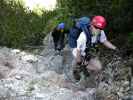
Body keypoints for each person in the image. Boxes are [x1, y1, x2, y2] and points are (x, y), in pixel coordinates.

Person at [71, 16, 118, 80]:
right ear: (91, 25)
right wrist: (80, 64)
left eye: (100, 28)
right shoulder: (83, 37)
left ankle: (89, 80)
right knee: (78, 72)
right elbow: (78, 51)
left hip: (87, 53)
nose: (98, 30)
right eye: (96, 27)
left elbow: (104, 41)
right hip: (77, 53)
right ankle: (75, 71)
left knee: (99, 67)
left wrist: (115, 48)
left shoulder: (100, 32)